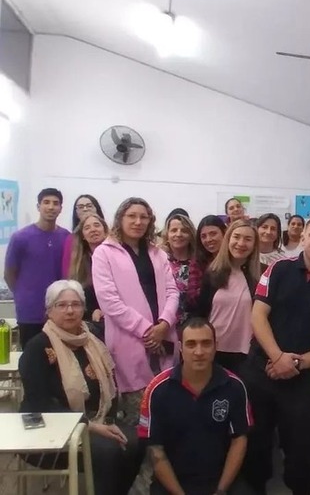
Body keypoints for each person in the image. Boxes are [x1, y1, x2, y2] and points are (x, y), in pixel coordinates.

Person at [242, 215, 310, 495]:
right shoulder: (278, 269)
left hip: (301, 381)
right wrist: (278, 358)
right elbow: (257, 315)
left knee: (301, 452)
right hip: (260, 372)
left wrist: (297, 364)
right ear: (302, 238)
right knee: (255, 446)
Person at [20, 280, 143, 495]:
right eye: (62, 305)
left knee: (138, 442)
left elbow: (110, 387)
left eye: (75, 304)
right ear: (49, 311)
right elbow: (39, 404)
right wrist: (91, 426)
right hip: (53, 431)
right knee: (108, 452)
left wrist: (108, 421)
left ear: (83, 309)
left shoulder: (92, 341)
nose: (70, 311)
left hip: (99, 420)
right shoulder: (38, 347)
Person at [92, 197, 180, 426]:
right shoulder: (104, 253)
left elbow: (172, 291)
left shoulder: (158, 253)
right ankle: (139, 461)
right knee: (139, 417)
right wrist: (147, 330)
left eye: (144, 217)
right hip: (129, 339)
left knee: (167, 413)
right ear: (120, 219)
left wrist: (163, 324)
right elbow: (109, 301)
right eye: (132, 216)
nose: (138, 221)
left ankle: (163, 461)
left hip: (164, 337)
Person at [138, 317, 251, 495]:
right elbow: (155, 449)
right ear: (181, 348)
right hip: (173, 483)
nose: (199, 351)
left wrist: (221, 491)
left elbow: (239, 441)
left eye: (206, 344)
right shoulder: (157, 390)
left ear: (215, 347)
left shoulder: (235, 386)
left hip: (221, 481)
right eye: (191, 344)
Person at [4, 188, 70, 348]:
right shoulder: (21, 237)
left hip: (59, 311)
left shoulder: (67, 237)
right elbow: (9, 274)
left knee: (59, 360)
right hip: (30, 311)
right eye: (46, 202)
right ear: (38, 206)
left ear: (61, 208)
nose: (51, 207)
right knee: (31, 358)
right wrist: (24, 294)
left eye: (55, 203)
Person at [193, 219, 260, 373]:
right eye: (236, 237)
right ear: (228, 239)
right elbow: (201, 312)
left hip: (244, 352)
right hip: (213, 349)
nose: (241, 243)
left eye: (248, 239)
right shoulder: (213, 273)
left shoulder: (258, 277)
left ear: (254, 245)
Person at [161, 213, 203, 330]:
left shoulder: (200, 263)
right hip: (164, 324)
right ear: (167, 235)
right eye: (174, 230)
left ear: (190, 235)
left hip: (193, 325)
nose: (178, 234)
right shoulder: (159, 261)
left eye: (184, 231)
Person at [68, 213, 108, 328]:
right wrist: (92, 311)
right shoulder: (79, 264)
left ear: (105, 231)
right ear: (83, 236)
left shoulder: (117, 257)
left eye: (97, 225)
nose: (93, 230)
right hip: (90, 321)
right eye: (87, 228)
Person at [62, 194, 105, 280]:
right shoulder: (71, 239)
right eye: (81, 207)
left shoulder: (109, 238)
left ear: (97, 209)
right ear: (76, 212)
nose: (85, 209)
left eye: (89, 206)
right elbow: (67, 270)